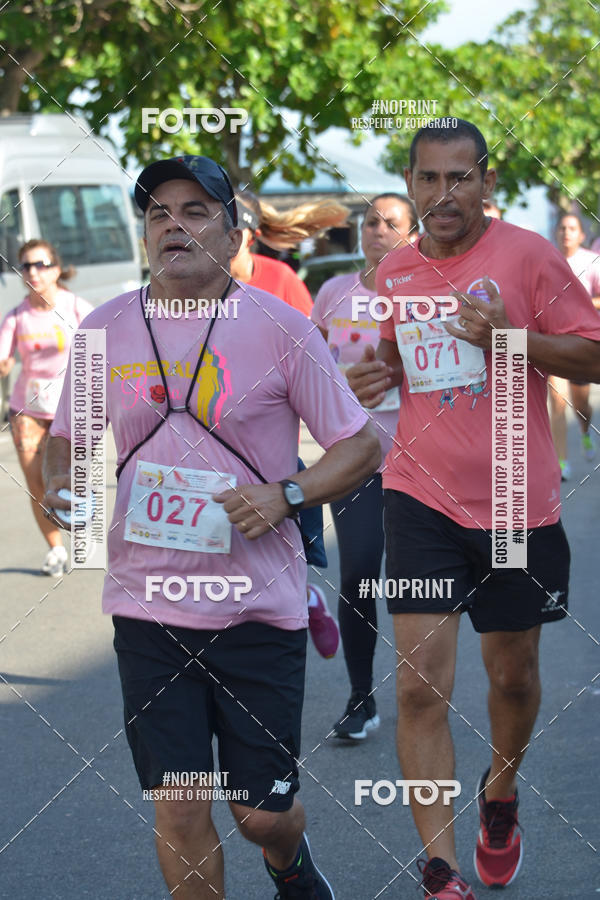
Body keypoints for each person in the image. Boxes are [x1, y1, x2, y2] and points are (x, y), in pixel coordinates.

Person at [43, 155, 380, 900]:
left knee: (261, 815)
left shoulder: (283, 329)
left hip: (259, 607)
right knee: (182, 801)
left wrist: (288, 493)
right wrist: (58, 480)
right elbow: (68, 439)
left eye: (195, 211)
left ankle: (289, 860)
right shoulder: (103, 328)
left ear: (233, 234)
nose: (173, 225)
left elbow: (361, 446)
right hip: (147, 608)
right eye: (159, 213)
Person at [347, 120, 600, 899]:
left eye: (461, 178)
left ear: (487, 181)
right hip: (418, 497)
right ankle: (441, 869)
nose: (443, 195)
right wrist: (376, 375)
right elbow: (397, 359)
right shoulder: (394, 270)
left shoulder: (528, 255)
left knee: (514, 677)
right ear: (412, 183)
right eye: (429, 179)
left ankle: (500, 792)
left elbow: (591, 353)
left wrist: (510, 340)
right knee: (421, 686)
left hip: (515, 501)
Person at [311, 192, 418, 738]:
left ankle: (421, 694)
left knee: (414, 583)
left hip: (421, 460)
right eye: (371, 221)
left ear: (412, 231)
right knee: (356, 574)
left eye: (391, 222)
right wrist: (339, 385)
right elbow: (309, 374)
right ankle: (361, 698)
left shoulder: (426, 290)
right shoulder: (333, 293)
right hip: (354, 459)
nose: (377, 229)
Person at [232, 189, 350, 659]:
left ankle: (303, 594)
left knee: (284, 511)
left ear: (246, 235)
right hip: (207, 426)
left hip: (272, 428)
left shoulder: (279, 279)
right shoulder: (190, 289)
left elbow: (313, 351)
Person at [0, 239, 92, 576]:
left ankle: (84, 537)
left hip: (71, 408)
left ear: (56, 269)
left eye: (40, 265)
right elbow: (2, 355)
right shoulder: (16, 316)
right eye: (25, 266)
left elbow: (100, 349)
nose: (32, 272)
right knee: (37, 484)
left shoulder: (76, 308)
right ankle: (55, 549)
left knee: (73, 479)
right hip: (28, 409)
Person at [230, 190, 348, 316]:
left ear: (252, 237)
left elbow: (309, 332)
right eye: (220, 226)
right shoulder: (207, 280)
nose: (225, 235)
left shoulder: (281, 278)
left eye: (235, 228)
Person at [548, 212, 600, 479]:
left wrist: (582, 307)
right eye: (562, 228)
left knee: (581, 406)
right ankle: (561, 462)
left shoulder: (591, 261)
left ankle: (584, 430)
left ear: (581, 235)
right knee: (557, 401)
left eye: (572, 228)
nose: (566, 233)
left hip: (581, 344)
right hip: (553, 342)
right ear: (556, 233)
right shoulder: (546, 260)